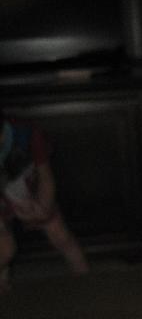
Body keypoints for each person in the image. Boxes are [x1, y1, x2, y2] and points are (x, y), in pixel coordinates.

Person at [0, 112, 89, 288]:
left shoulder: (26, 134)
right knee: (5, 249)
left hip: (29, 190)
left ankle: (86, 278)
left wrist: (44, 204)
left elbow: (45, 174)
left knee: (60, 235)